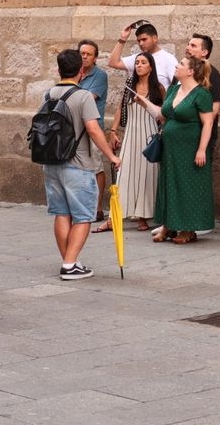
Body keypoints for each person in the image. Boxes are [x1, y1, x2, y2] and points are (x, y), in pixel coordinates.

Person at [41, 49, 122, 279]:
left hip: (52, 162)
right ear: (80, 71)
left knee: (61, 213)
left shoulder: (48, 94)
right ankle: (69, 264)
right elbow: (93, 129)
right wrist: (111, 156)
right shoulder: (83, 96)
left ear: (59, 70)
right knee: (84, 216)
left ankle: (70, 260)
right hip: (78, 164)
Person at [152, 56, 215, 245]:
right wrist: (143, 103)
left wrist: (201, 149)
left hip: (190, 148)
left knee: (188, 185)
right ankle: (168, 225)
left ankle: (188, 228)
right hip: (170, 148)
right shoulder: (173, 90)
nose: (176, 65)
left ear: (190, 71)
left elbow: (208, 123)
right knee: (169, 183)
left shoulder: (201, 94)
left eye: (181, 64)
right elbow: (163, 114)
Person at [108, 52, 165, 232]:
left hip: (149, 133)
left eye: (143, 62)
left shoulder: (158, 88)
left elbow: (163, 113)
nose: (139, 65)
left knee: (147, 174)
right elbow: (120, 108)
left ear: (151, 66)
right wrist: (113, 131)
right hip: (131, 134)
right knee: (124, 174)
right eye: (137, 62)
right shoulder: (129, 86)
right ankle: (114, 217)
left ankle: (143, 216)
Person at [78, 39, 111, 230]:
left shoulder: (99, 76)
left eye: (88, 54)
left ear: (95, 57)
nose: (84, 57)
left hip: (93, 127)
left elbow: (87, 99)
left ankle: (97, 208)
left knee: (96, 167)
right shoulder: (75, 73)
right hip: (75, 128)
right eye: (82, 53)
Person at [107, 20, 178, 87]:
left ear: (155, 38)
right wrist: (123, 38)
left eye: (144, 39)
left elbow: (177, 86)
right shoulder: (138, 59)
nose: (141, 43)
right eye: (139, 41)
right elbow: (113, 63)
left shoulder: (168, 59)